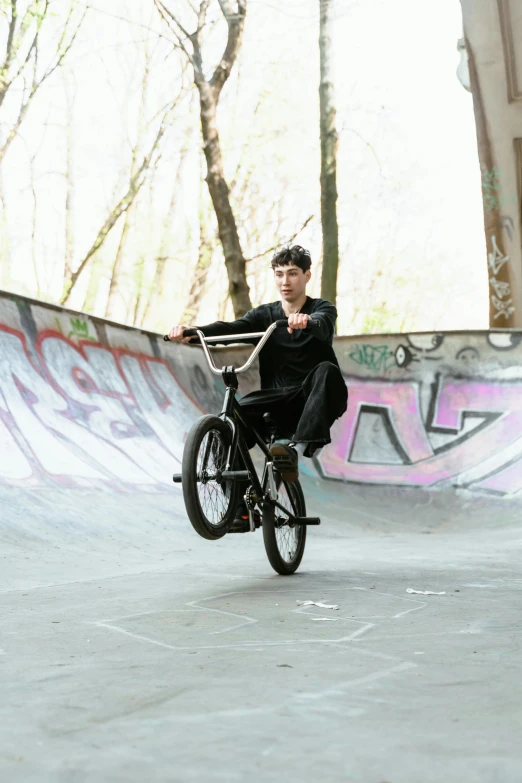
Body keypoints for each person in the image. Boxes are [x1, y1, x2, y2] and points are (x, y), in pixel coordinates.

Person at [168, 245, 348, 528]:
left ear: (307, 276)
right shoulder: (264, 316)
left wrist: (307, 322)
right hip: (277, 401)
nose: (285, 282)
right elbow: (230, 329)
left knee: (326, 370)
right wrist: (194, 332)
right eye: (279, 275)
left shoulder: (321, 309)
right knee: (233, 420)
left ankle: (295, 450)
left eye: (292, 274)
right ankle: (240, 505)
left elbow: (324, 325)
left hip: (316, 396)